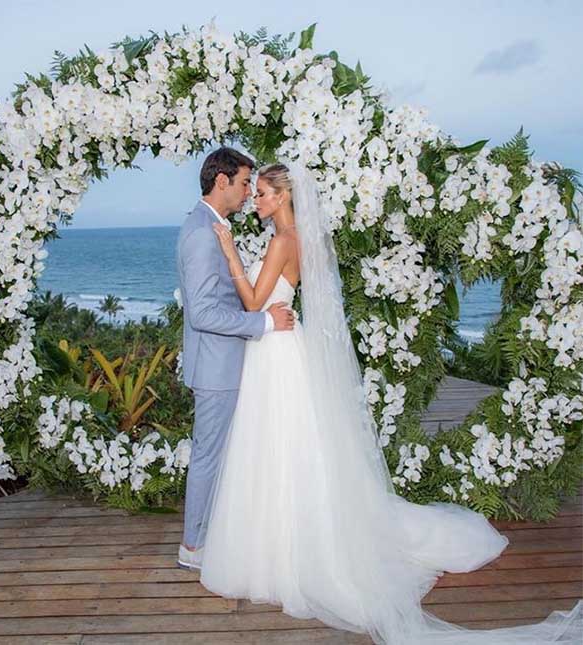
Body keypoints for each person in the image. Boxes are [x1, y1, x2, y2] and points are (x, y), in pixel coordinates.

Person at [197, 161, 582, 643]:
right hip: (279, 348)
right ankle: (279, 544)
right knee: (287, 445)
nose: (255, 199)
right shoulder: (292, 238)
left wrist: (231, 256)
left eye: (262, 194)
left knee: (277, 443)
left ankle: (282, 552)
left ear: (281, 197)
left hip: (274, 350)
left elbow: (254, 303)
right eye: (252, 193)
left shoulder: (281, 241)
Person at [175, 148, 295, 570]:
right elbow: (204, 312)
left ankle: (216, 536)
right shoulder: (201, 233)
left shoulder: (213, 227)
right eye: (245, 183)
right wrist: (263, 325)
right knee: (209, 455)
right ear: (221, 181)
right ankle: (193, 547)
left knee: (230, 453)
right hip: (217, 367)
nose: (248, 193)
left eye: (255, 187)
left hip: (231, 363)